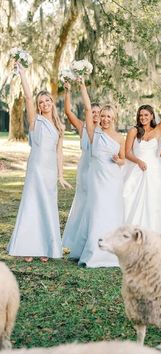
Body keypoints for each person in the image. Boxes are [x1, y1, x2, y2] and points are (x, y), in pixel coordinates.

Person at [8, 62, 71, 263]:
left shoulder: (58, 126)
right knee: (32, 205)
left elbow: (59, 153)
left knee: (47, 206)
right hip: (35, 168)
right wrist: (24, 73)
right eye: (41, 102)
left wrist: (61, 175)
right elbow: (27, 96)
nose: (45, 104)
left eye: (48, 101)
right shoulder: (35, 120)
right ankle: (28, 247)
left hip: (50, 171)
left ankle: (46, 247)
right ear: (38, 106)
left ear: (52, 103)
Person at [76, 80, 125, 268]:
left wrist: (118, 160)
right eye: (102, 116)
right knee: (97, 211)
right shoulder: (93, 132)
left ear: (113, 119)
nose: (104, 119)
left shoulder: (120, 137)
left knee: (111, 212)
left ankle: (112, 251)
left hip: (112, 179)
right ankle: (94, 251)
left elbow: (123, 160)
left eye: (108, 117)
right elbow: (88, 109)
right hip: (97, 180)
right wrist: (82, 86)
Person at [123, 92, 161, 233]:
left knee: (153, 202)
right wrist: (138, 161)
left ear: (152, 116)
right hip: (137, 170)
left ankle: (152, 233)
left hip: (153, 171)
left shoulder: (158, 130)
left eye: (146, 115)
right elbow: (127, 153)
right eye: (141, 115)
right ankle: (132, 232)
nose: (143, 117)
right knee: (132, 200)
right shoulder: (133, 131)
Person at [62, 82, 100, 258]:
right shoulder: (82, 127)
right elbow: (68, 112)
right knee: (82, 202)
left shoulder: (104, 130)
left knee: (96, 202)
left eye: (98, 113)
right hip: (84, 168)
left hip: (99, 170)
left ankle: (92, 237)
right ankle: (76, 239)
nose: (96, 115)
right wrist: (68, 92)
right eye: (93, 112)